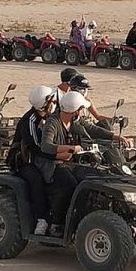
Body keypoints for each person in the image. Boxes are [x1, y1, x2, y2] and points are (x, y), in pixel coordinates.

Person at [36, 91, 95, 236]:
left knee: (90, 178)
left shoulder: (74, 123)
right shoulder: (53, 123)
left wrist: (116, 137)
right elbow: (46, 146)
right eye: (81, 109)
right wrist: (70, 148)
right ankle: (57, 222)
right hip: (51, 165)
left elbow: (93, 130)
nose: (82, 112)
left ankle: (82, 220)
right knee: (70, 185)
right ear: (74, 111)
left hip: (68, 162)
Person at [9, 85, 59, 236]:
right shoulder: (29, 121)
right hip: (24, 161)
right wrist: (58, 154)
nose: (55, 103)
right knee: (37, 179)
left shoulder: (48, 117)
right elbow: (38, 148)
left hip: (41, 158)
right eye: (52, 101)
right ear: (44, 104)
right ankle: (41, 219)